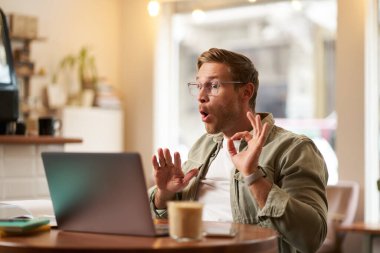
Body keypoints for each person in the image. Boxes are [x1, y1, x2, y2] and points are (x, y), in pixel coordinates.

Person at [149, 48, 328, 253]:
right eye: (198, 86)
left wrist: (253, 177)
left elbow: (312, 237)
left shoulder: (294, 149)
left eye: (213, 86)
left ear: (246, 92)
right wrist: (164, 194)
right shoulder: (202, 146)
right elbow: (161, 223)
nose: (200, 96)